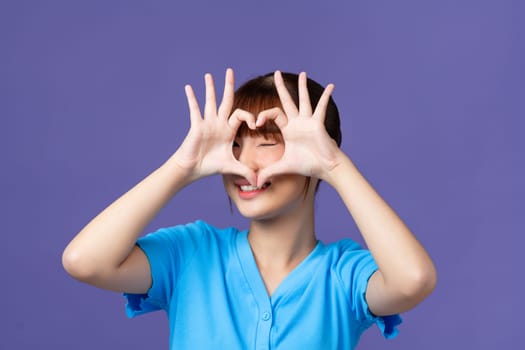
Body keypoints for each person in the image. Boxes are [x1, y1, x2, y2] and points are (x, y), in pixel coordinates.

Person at [62, 68, 437, 349]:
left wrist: (335, 167)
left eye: (268, 143)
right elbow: (84, 260)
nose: (245, 163)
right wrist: (182, 167)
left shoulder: (344, 275)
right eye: (235, 145)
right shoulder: (192, 252)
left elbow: (413, 280)